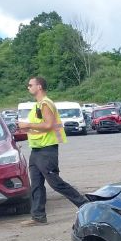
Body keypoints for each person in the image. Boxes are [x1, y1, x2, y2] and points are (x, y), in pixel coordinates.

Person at [17, 76, 87, 226]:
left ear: (39, 87)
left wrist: (27, 124)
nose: (28, 87)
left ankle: (86, 205)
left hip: (46, 150)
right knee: (36, 185)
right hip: (36, 150)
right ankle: (38, 216)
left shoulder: (45, 104)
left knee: (55, 182)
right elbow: (38, 126)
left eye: (30, 85)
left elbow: (48, 125)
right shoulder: (38, 105)